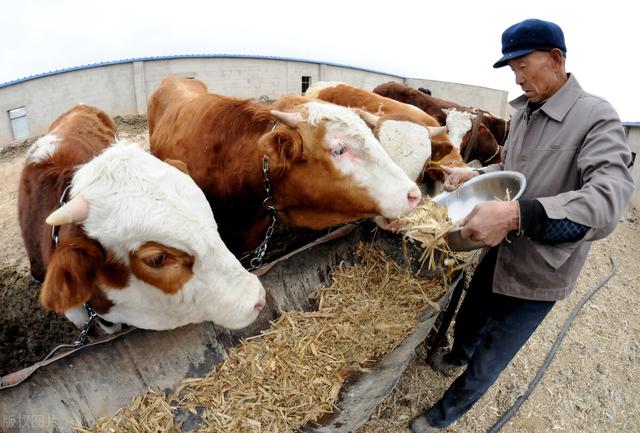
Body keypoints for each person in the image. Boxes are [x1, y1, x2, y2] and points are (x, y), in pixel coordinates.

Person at [410, 18, 635, 432]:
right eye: (512, 70)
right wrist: (476, 174)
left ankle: (445, 414)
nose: (518, 79)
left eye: (523, 66)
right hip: (500, 248)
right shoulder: (525, 114)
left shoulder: (596, 116)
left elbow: (607, 201)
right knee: (473, 315)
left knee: (495, 352)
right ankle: (456, 354)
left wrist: (517, 215)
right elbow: (512, 170)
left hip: (543, 267)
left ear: (555, 58)